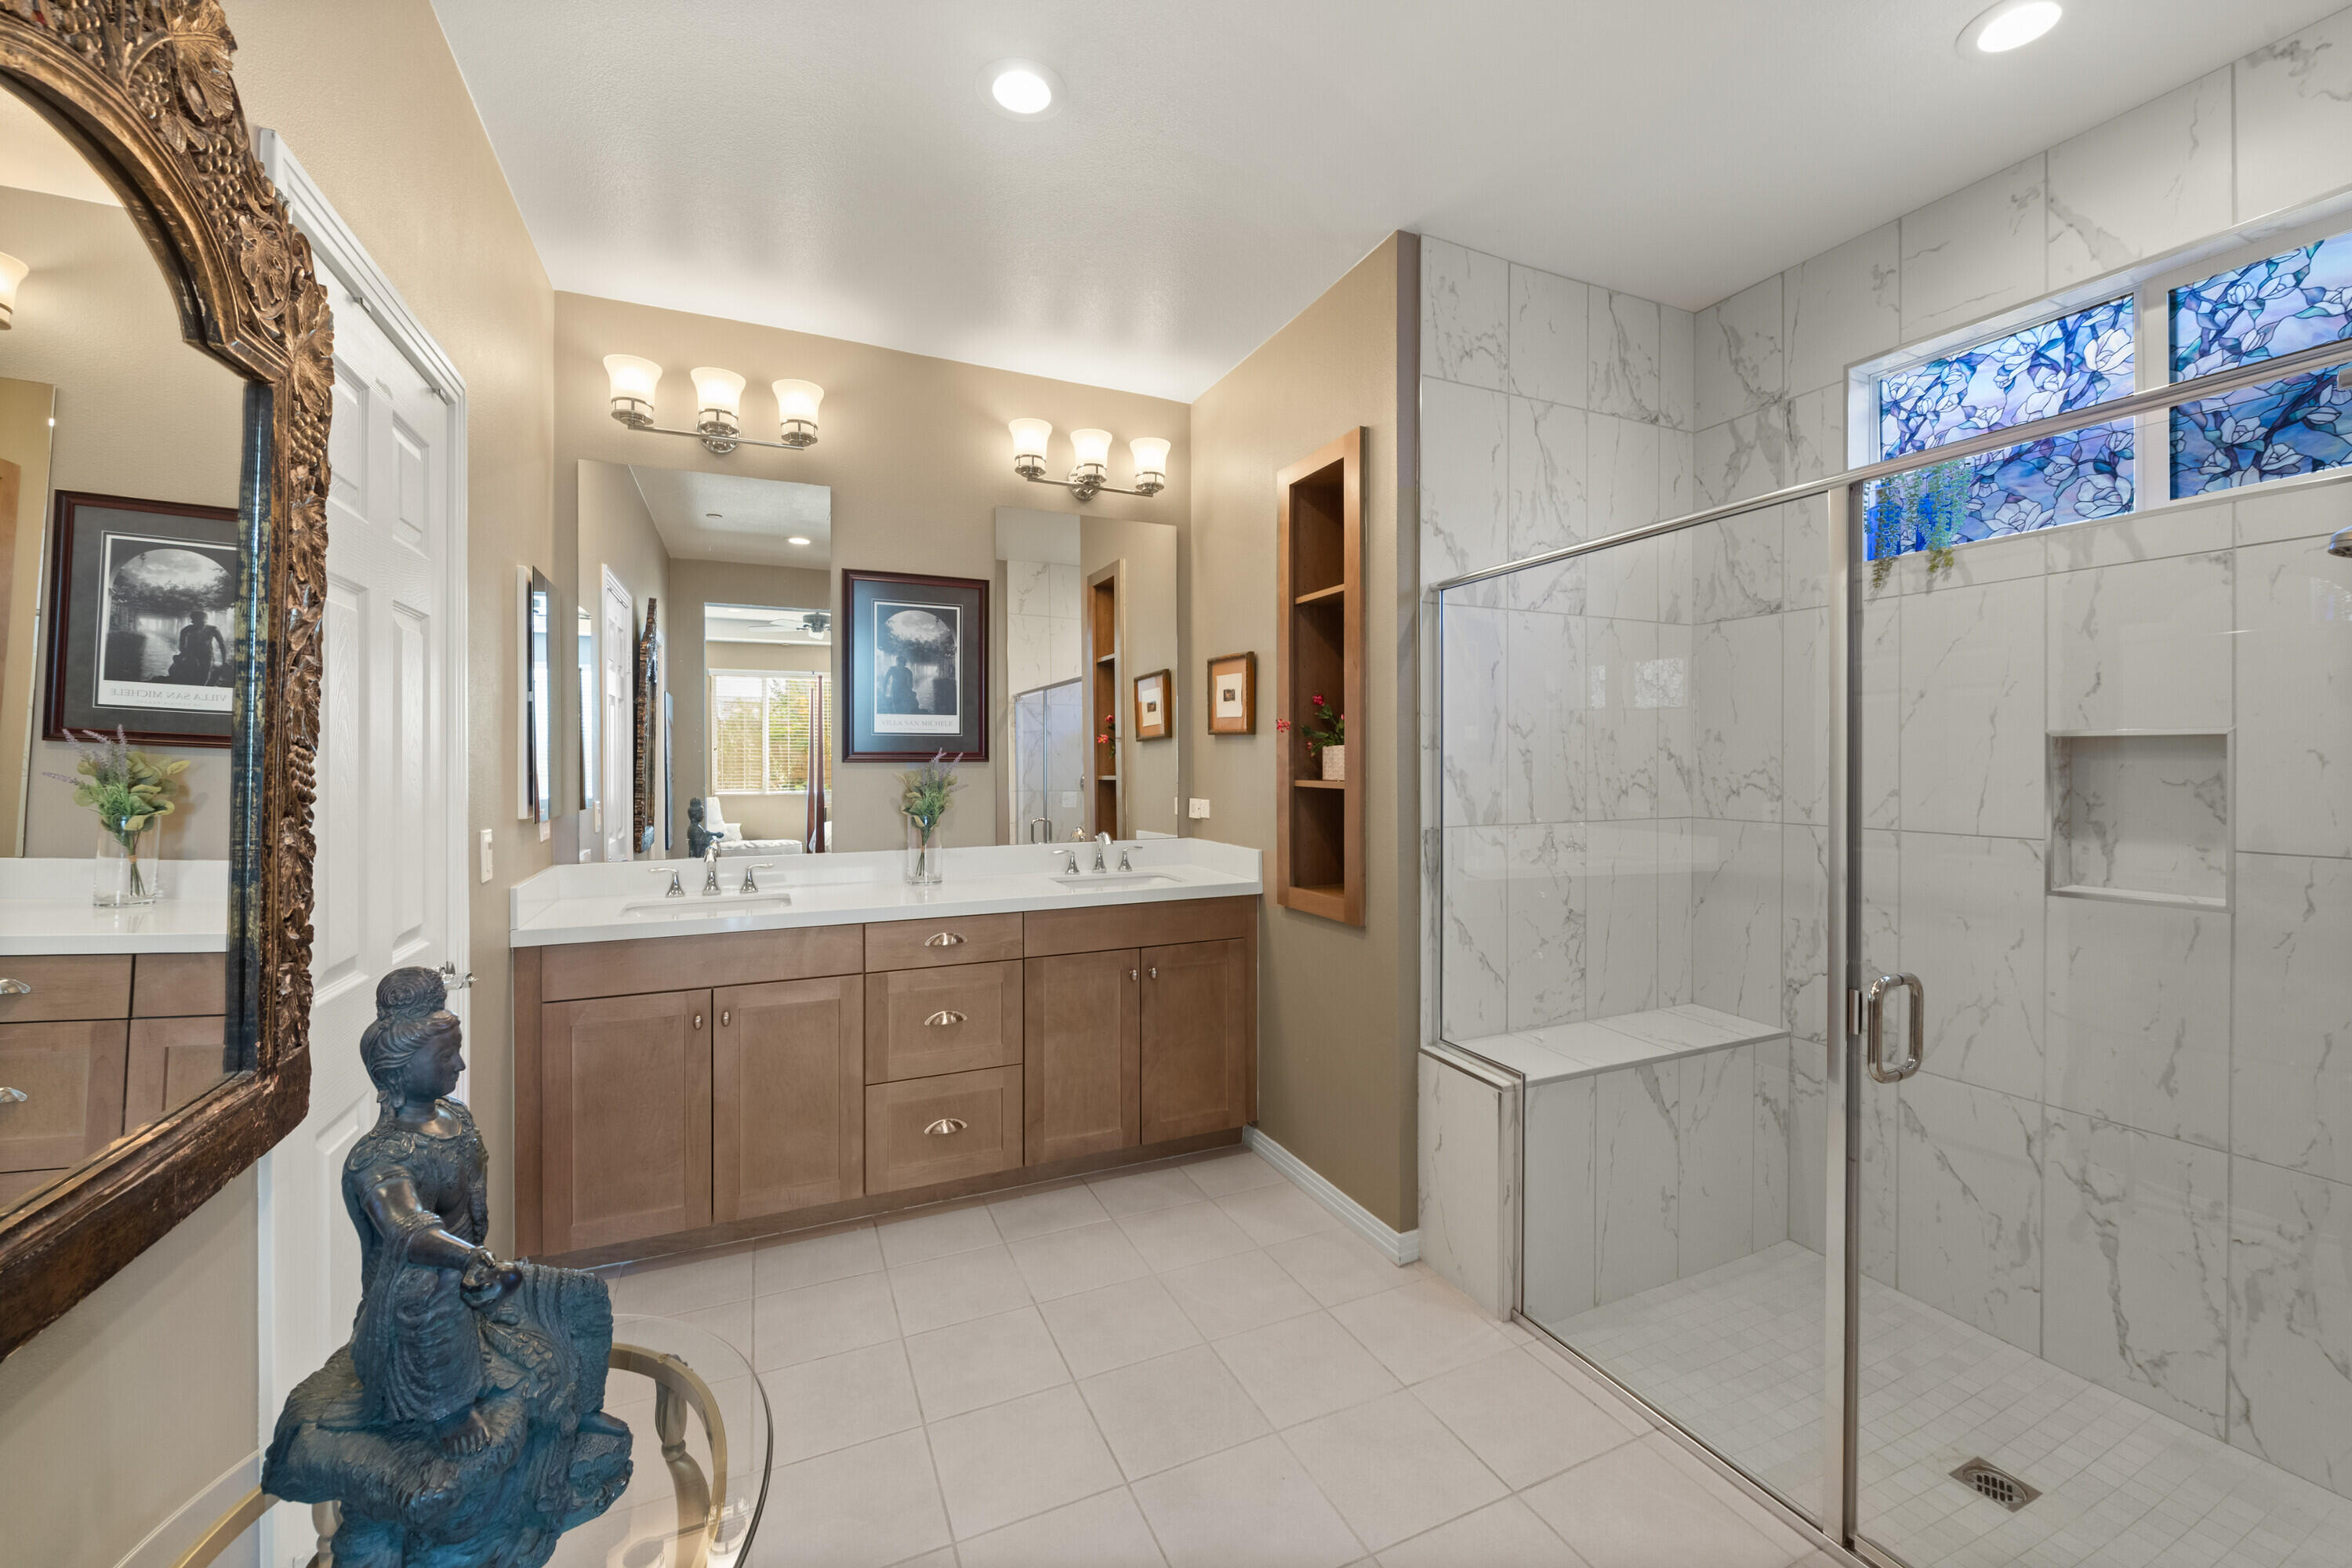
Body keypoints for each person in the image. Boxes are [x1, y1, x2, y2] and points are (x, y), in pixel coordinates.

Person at [263, 967, 630, 1564]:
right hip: (417, 1331)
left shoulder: (454, 1120)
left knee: (580, 1297)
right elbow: (407, 1228)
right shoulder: (377, 1158)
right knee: (424, 1285)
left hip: (476, 1291)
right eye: (448, 1054)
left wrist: (486, 1273)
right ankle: (448, 1412)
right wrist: (472, 1261)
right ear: (401, 1069)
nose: (460, 1067)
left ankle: (575, 1428)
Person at [166, 608, 230, 686]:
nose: (202, 625)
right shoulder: (186, 630)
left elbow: (222, 645)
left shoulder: (213, 630)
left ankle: (202, 686)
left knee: (206, 673)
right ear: (193, 622)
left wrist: (224, 661)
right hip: (190, 654)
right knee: (187, 672)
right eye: (199, 623)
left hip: (207, 655)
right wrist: (187, 655)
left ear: (207, 621)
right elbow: (182, 647)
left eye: (204, 622)